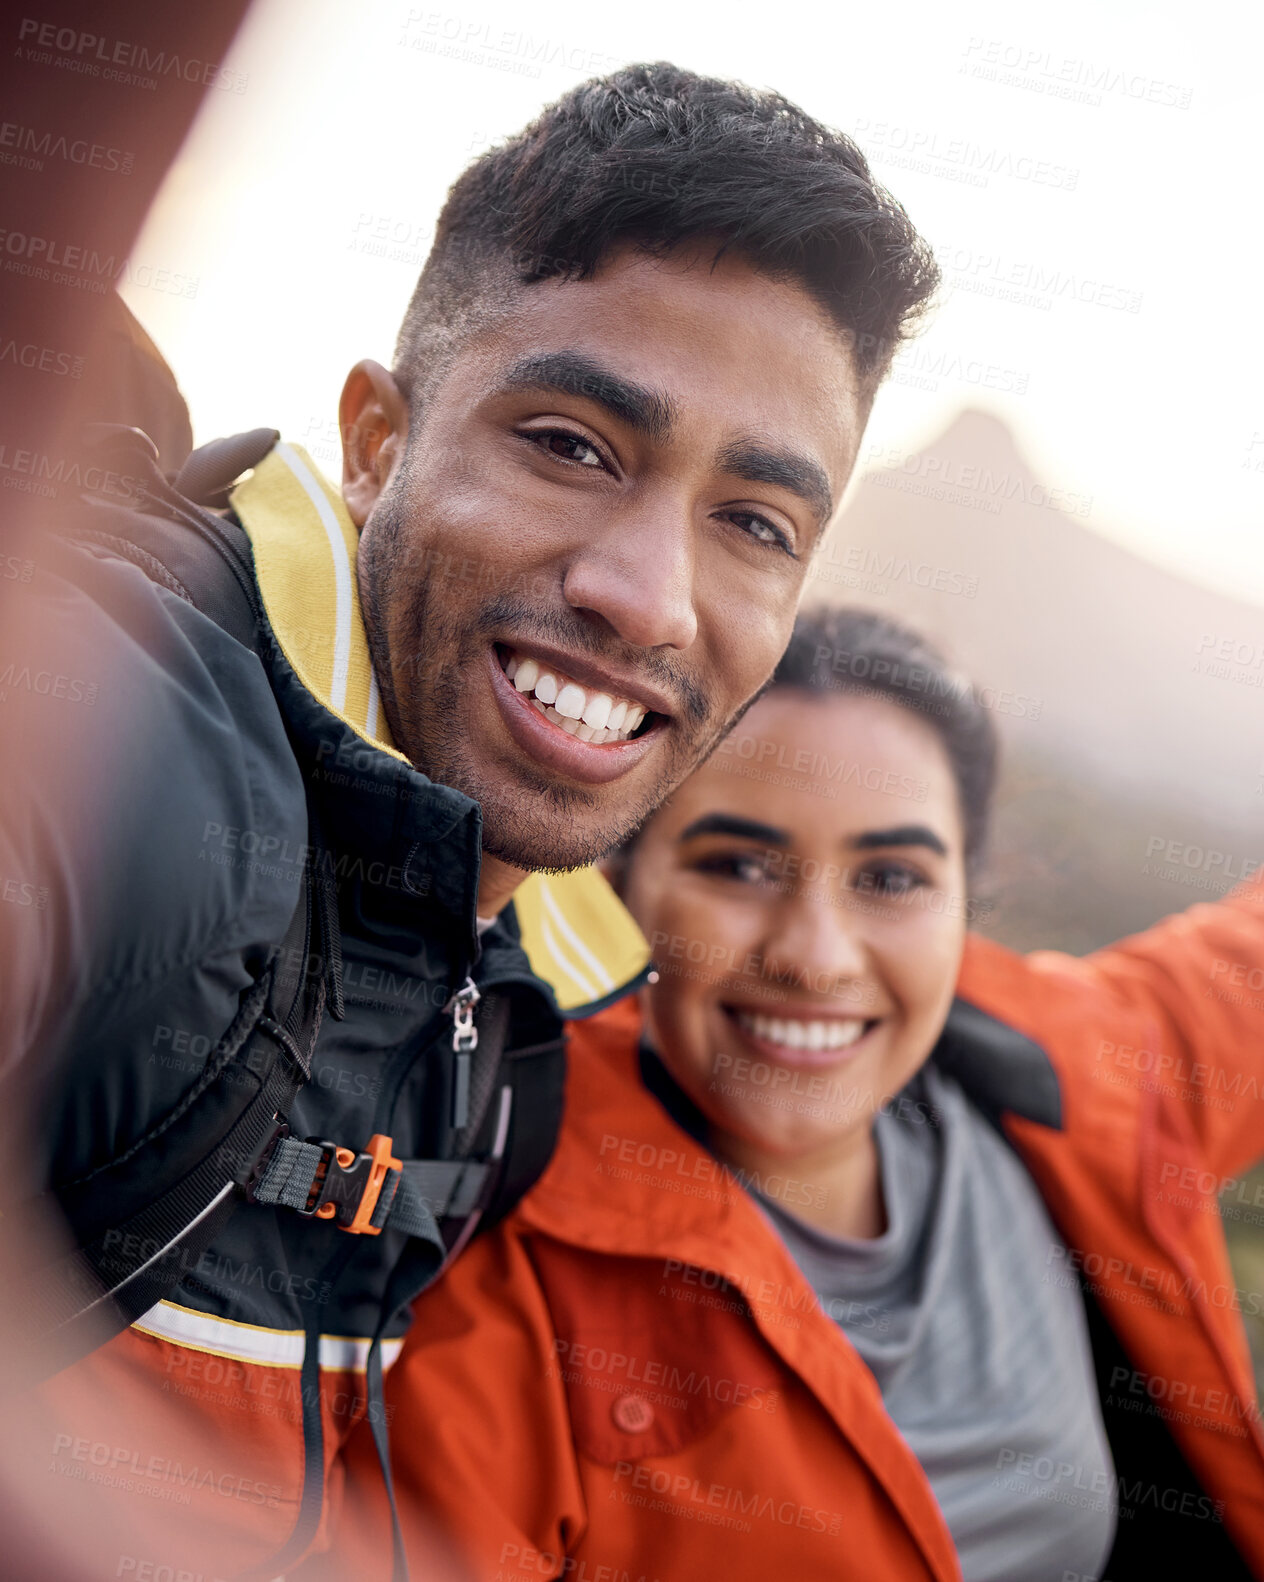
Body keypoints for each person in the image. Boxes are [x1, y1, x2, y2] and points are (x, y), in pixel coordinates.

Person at [0, 64, 939, 1580]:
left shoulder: (529, 971)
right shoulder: (125, 737)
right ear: (375, 443)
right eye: (570, 444)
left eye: (753, 523)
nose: (648, 592)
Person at [314, 607, 1264, 1581]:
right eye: (738, 866)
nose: (813, 956)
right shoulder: (499, 1247)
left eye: (891, 877)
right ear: (620, 880)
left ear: (965, 905)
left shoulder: (1085, 1070)